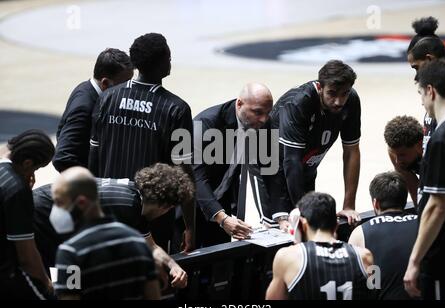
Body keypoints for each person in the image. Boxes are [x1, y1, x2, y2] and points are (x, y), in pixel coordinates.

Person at [89, 33, 195, 252]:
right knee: (153, 280)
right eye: (169, 56)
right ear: (162, 63)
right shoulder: (177, 109)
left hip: (107, 208)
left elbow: (94, 158)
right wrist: (190, 226)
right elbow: (183, 173)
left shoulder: (107, 98)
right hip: (153, 216)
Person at [33, 163, 193, 288]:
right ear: (165, 206)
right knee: (63, 281)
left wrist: (172, 266)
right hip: (43, 218)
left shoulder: (134, 195)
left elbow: (150, 246)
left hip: (45, 209)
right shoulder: (128, 206)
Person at [193, 83, 291, 246]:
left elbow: (271, 171)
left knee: (218, 261)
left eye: (267, 113)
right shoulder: (206, 123)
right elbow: (196, 178)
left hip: (220, 200)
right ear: (239, 104)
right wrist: (221, 217)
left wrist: (281, 217)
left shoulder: (262, 123)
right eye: (258, 112)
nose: (264, 119)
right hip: (190, 205)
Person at [271, 60, 361, 222]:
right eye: (332, 93)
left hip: (305, 166)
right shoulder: (299, 103)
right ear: (320, 88)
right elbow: (291, 161)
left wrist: (348, 205)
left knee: (310, 228)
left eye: (344, 93)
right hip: (270, 168)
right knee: (283, 227)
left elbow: (351, 151)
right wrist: (303, 212)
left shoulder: (351, 100)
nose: (339, 101)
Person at [51, 167, 160, 299]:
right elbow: (153, 296)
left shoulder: (70, 252)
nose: (55, 209)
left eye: (59, 203)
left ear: (81, 203)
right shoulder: (138, 242)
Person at [266, 192, 373, 300]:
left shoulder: (287, 257)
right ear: (336, 226)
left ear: (303, 225)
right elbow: (377, 293)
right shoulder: (365, 256)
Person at [404, 60, 445, 300]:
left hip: (442, 255)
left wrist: (415, 260)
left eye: (421, 94)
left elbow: (437, 206)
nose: (421, 101)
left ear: (431, 91)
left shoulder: (441, 137)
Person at [53, 48, 134, 172]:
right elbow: (63, 157)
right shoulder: (84, 107)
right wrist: (90, 184)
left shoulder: (86, 88)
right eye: (125, 84)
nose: (129, 89)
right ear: (105, 83)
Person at [0, 129, 55, 299]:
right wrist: (46, 283)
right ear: (27, 163)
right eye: (36, 168)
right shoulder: (16, 190)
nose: (33, 175)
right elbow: (26, 256)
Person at [349, 172, 418, 300]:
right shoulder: (423, 224)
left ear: (376, 204)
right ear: (404, 200)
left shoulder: (360, 233)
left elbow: (354, 284)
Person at [407, 16, 445, 150]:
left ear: (429, 60)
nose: (416, 76)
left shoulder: (444, 98)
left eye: (416, 67)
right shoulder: (434, 95)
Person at [384, 116, 423, 207]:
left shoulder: (437, 151)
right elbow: (414, 190)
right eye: (395, 154)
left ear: (419, 146)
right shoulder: (393, 151)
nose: (397, 161)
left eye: (402, 155)